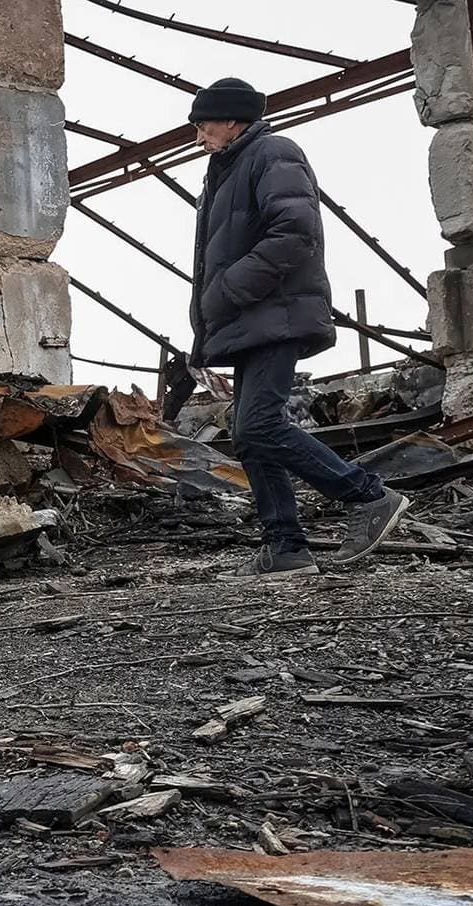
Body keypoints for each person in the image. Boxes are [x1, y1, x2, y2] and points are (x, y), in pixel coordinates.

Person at [187, 78, 411, 581]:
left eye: (204, 125)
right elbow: (214, 262)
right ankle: (285, 547)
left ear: (232, 120)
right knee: (248, 436)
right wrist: (203, 335)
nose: (199, 136)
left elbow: (295, 233)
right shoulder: (223, 173)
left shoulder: (272, 152)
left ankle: (370, 496)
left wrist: (228, 292)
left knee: (261, 424)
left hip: (274, 314)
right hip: (249, 319)